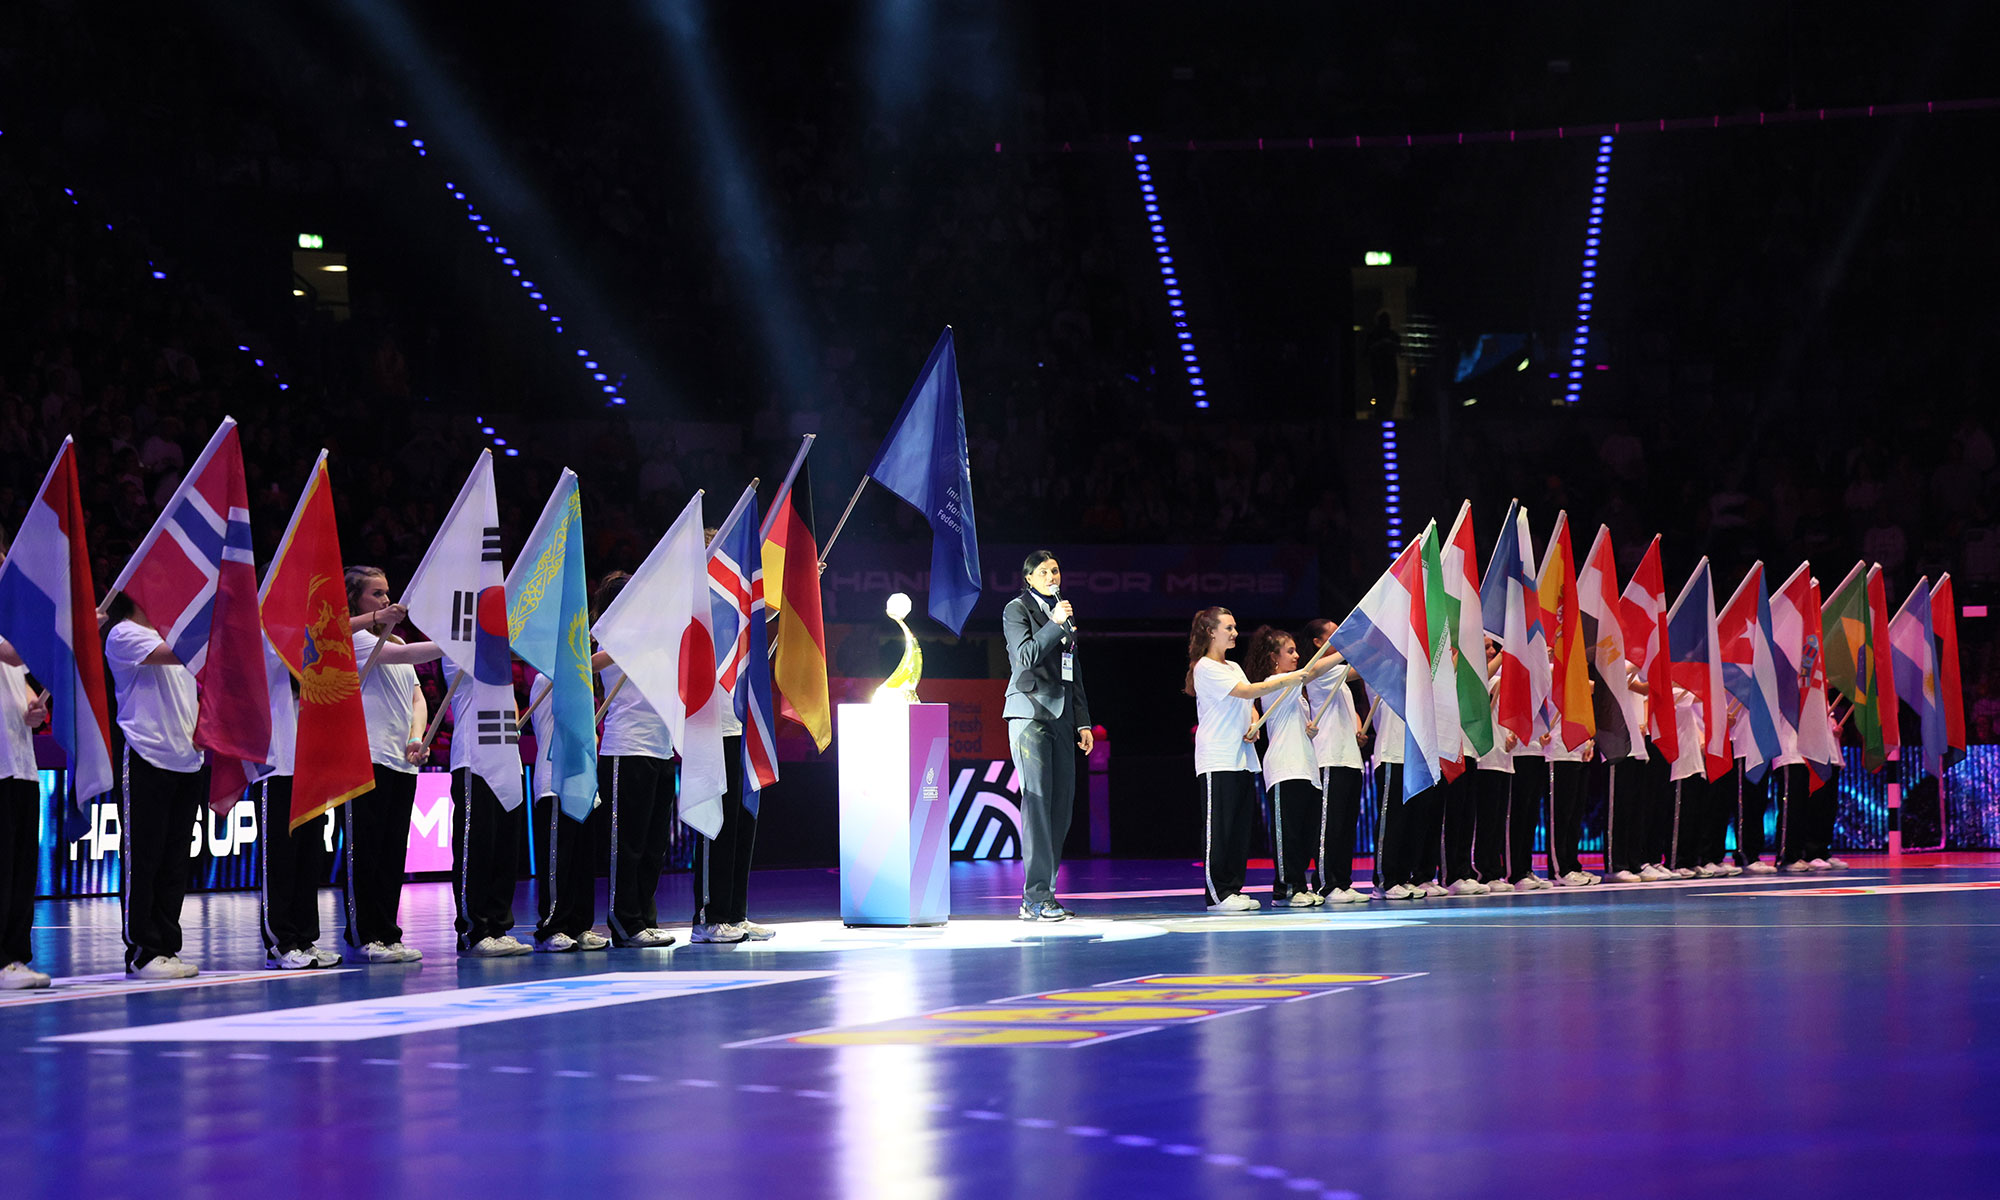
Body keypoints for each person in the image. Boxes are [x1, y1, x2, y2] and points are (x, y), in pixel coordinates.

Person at [1186, 607, 1326, 911]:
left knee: (1238, 829)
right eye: (1229, 628)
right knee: (1219, 828)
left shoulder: (1234, 666)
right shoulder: (1205, 667)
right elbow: (1248, 689)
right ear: (1211, 632)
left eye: (1235, 627)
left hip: (1243, 758)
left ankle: (1233, 889)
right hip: (1217, 757)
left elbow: (1248, 701)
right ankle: (1217, 894)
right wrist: (1291, 678)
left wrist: (1252, 721)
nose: (1235, 633)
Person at [103, 594, 204, 979]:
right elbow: (178, 654)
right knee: (143, 860)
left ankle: (166, 946)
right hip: (146, 757)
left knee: (174, 862)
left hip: (186, 760)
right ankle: (143, 951)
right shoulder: (125, 634)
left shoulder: (172, 638)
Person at [345, 567, 442, 962]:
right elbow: (400, 656)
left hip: (401, 762)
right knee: (365, 850)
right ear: (356, 601)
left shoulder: (396, 636)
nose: (387, 601)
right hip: (366, 757)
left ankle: (387, 932)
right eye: (376, 594)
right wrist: (455, 644)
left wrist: (416, 737)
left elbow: (417, 698)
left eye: (388, 593)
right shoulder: (352, 640)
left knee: (391, 853)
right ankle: (363, 934)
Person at [689, 531, 776, 945]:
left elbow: (755, 624)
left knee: (742, 824)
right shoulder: (692, 607)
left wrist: (800, 587)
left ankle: (735, 914)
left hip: (741, 728)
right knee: (715, 825)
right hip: (708, 731)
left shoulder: (732, 608)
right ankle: (708, 917)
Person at [1003, 550, 1093, 922]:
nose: (1052, 576)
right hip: (1030, 714)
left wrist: (1083, 720)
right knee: (1038, 804)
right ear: (1028, 578)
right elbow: (1025, 656)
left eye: (1055, 570)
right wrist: (1054, 623)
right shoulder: (1017, 610)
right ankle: (1035, 897)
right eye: (1043, 571)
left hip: (1061, 718)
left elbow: (1073, 671)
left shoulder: (1064, 617)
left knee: (1061, 806)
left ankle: (1045, 894)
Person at [592, 572, 679, 949]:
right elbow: (585, 663)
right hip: (625, 749)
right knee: (626, 844)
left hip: (661, 749)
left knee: (654, 843)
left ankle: (644, 918)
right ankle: (624, 922)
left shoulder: (659, 637)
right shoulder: (610, 638)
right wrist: (638, 642)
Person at [527, 664, 609, 952]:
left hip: (584, 782)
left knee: (582, 860)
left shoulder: (583, 681)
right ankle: (552, 926)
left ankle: (580, 925)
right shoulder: (546, 678)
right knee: (558, 860)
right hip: (555, 782)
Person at [1244, 626, 1323, 907]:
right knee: (1287, 832)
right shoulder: (1275, 683)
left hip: (1306, 769)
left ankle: (1299, 884)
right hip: (1284, 768)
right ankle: (1286, 888)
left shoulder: (1296, 691)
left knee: (1305, 833)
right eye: (1290, 651)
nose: (1297, 655)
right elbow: (1312, 670)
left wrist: (1308, 730)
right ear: (1274, 657)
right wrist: (1342, 650)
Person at [1300, 619, 1367, 903]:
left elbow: (1356, 677)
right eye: (1335, 633)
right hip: (1329, 757)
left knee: (1346, 824)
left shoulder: (1337, 675)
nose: (1341, 635)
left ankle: (1342, 880)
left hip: (1350, 757)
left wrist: (1358, 730)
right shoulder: (1317, 670)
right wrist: (1353, 646)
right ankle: (1327, 884)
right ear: (1318, 641)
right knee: (1330, 824)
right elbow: (1356, 669)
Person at [0, 631, 51, 989]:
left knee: (20, 869)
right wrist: (68, 622)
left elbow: (27, 693)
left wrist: (36, 709)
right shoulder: (11, 643)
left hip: (21, 765)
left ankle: (14, 956)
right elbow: (15, 656)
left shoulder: (9, 634)